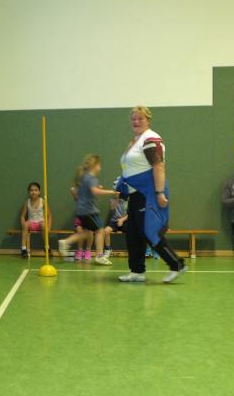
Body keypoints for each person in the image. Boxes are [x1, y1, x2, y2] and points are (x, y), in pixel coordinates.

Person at [115, 106, 187, 283]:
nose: (136, 121)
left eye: (140, 118)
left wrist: (159, 193)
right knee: (133, 232)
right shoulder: (135, 140)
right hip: (135, 194)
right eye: (133, 118)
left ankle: (177, 264)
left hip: (149, 193)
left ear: (148, 120)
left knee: (150, 232)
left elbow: (158, 166)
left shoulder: (150, 138)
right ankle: (137, 271)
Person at [58, 154, 118, 265]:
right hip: (89, 210)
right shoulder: (92, 178)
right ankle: (100, 256)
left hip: (81, 210)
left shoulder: (84, 178)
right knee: (100, 231)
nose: (100, 168)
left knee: (86, 233)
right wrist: (111, 192)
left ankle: (66, 242)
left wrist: (97, 188)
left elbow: (84, 191)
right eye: (99, 165)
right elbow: (94, 191)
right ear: (94, 166)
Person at [19, 182, 52, 258]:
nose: (33, 192)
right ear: (28, 192)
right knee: (26, 224)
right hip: (31, 223)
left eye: (36, 190)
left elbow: (49, 215)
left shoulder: (43, 201)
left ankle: (47, 247)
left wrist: (49, 227)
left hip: (41, 223)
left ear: (39, 192)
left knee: (43, 224)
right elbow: (22, 216)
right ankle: (23, 249)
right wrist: (23, 225)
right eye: (31, 190)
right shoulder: (27, 202)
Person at [98, 195, 129, 262]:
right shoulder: (112, 200)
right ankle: (108, 249)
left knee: (132, 231)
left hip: (125, 221)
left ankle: (132, 249)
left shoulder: (128, 200)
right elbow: (112, 209)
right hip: (114, 221)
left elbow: (130, 214)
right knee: (106, 231)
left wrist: (122, 219)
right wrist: (116, 198)